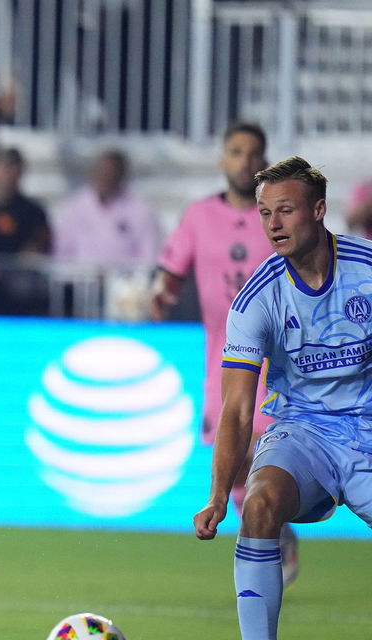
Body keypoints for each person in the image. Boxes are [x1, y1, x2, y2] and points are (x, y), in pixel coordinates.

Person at [194, 156, 372, 640]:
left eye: (286, 210)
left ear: (319, 211)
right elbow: (238, 409)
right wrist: (221, 494)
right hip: (303, 434)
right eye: (265, 212)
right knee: (263, 504)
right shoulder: (256, 299)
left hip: (367, 431)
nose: (273, 224)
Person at [152, 122, 298, 585]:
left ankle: (269, 532)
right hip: (223, 359)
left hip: (278, 360)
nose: (244, 161)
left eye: (254, 152)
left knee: (263, 451)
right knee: (232, 465)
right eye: (236, 151)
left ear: (265, 161)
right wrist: (158, 297)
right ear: (222, 159)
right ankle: (272, 528)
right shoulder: (198, 216)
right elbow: (170, 274)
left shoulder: (278, 218)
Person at [51, 148, 163, 269]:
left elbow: (149, 256)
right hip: (79, 281)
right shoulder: (74, 207)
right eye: (100, 171)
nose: (103, 177)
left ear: (121, 176)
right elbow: (61, 252)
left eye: (110, 173)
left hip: (125, 283)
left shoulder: (141, 210)